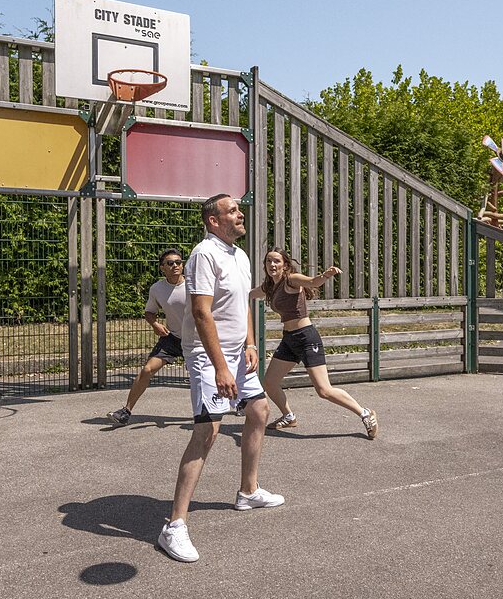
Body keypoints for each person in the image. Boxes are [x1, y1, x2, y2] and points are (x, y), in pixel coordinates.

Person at [157, 194, 283, 563]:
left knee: (259, 410)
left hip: (236, 353)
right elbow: (201, 313)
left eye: (239, 209)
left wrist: (251, 341)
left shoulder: (240, 256)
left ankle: (248, 491)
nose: (240, 213)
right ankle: (174, 525)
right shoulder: (203, 254)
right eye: (232, 211)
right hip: (207, 357)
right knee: (208, 431)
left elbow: (243, 303)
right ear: (213, 220)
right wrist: (220, 367)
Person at [250, 248, 379, 439]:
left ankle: (365, 413)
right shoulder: (270, 286)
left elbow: (312, 282)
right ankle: (288, 416)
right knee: (269, 382)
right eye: (268, 261)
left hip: (306, 338)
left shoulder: (291, 279)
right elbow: (249, 294)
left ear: (284, 264)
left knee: (324, 390)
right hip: (289, 340)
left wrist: (325, 275)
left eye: (276, 261)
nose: (272, 265)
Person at [106, 249, 187, 426]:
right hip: (172, 338)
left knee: (212, 374)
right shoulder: (157, 289)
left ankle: (240, 400)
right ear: (162, 268)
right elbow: (149, 312)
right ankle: (125, 412)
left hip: (197, 340)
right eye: (170, 263)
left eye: (178, 262)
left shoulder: (194, 285)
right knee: (147, 370)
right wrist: (155, 324)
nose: (175, 266)